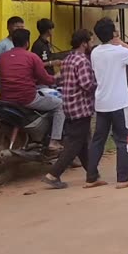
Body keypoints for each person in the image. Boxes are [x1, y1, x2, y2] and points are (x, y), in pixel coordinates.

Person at [87, 18, 128, 189]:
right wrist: (121, 43)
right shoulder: (119, 51)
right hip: (120, 102)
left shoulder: (95, 52)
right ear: (113, 33)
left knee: (98, 140)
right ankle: (123, 178)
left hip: (102, 102)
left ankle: (91, 177)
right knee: (124, 140)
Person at [43, 29, 95, 189]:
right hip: (81, 107)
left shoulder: (67, 59)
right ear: (84, 43)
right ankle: (53, 174)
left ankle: (93, 175)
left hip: (69, 106)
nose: (92, 44)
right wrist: (101, 86)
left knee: (83, 143)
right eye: (90, 41)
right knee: (75, 144)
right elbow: (87, 85)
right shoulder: (82, 61)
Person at [0, 28, 65, 145]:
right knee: (60, 105)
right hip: (27, 98)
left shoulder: (2, 57)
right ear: (27, 43)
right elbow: (47, 79)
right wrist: (58, 75)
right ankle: (54, 141)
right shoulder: (32, 57)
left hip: (6, 98)